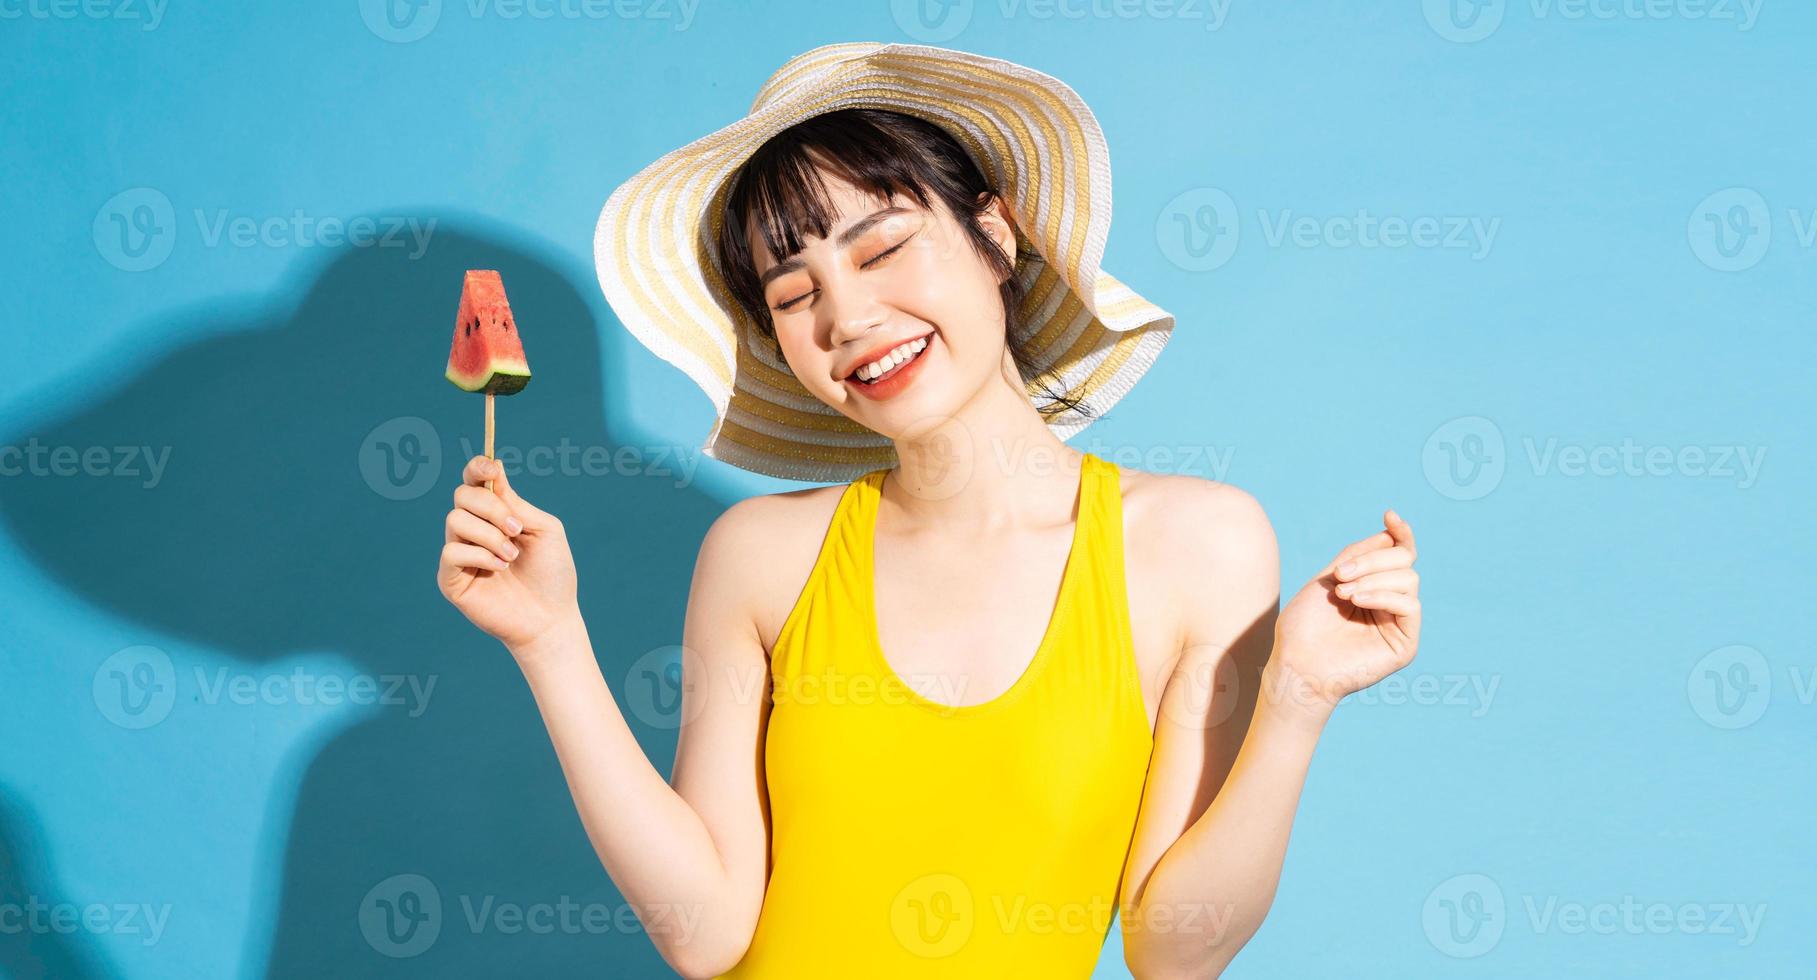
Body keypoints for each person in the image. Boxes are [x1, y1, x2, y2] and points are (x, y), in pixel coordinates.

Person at [436, 43, 1422, 979]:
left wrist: (1296, 700)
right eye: (793, 293)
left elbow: (1175, 951)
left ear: (994, 233)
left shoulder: (1195, 543)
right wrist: (550, 637)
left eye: (882, 249)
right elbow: (703, 934)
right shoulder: (758, 553)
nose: (846, 318)